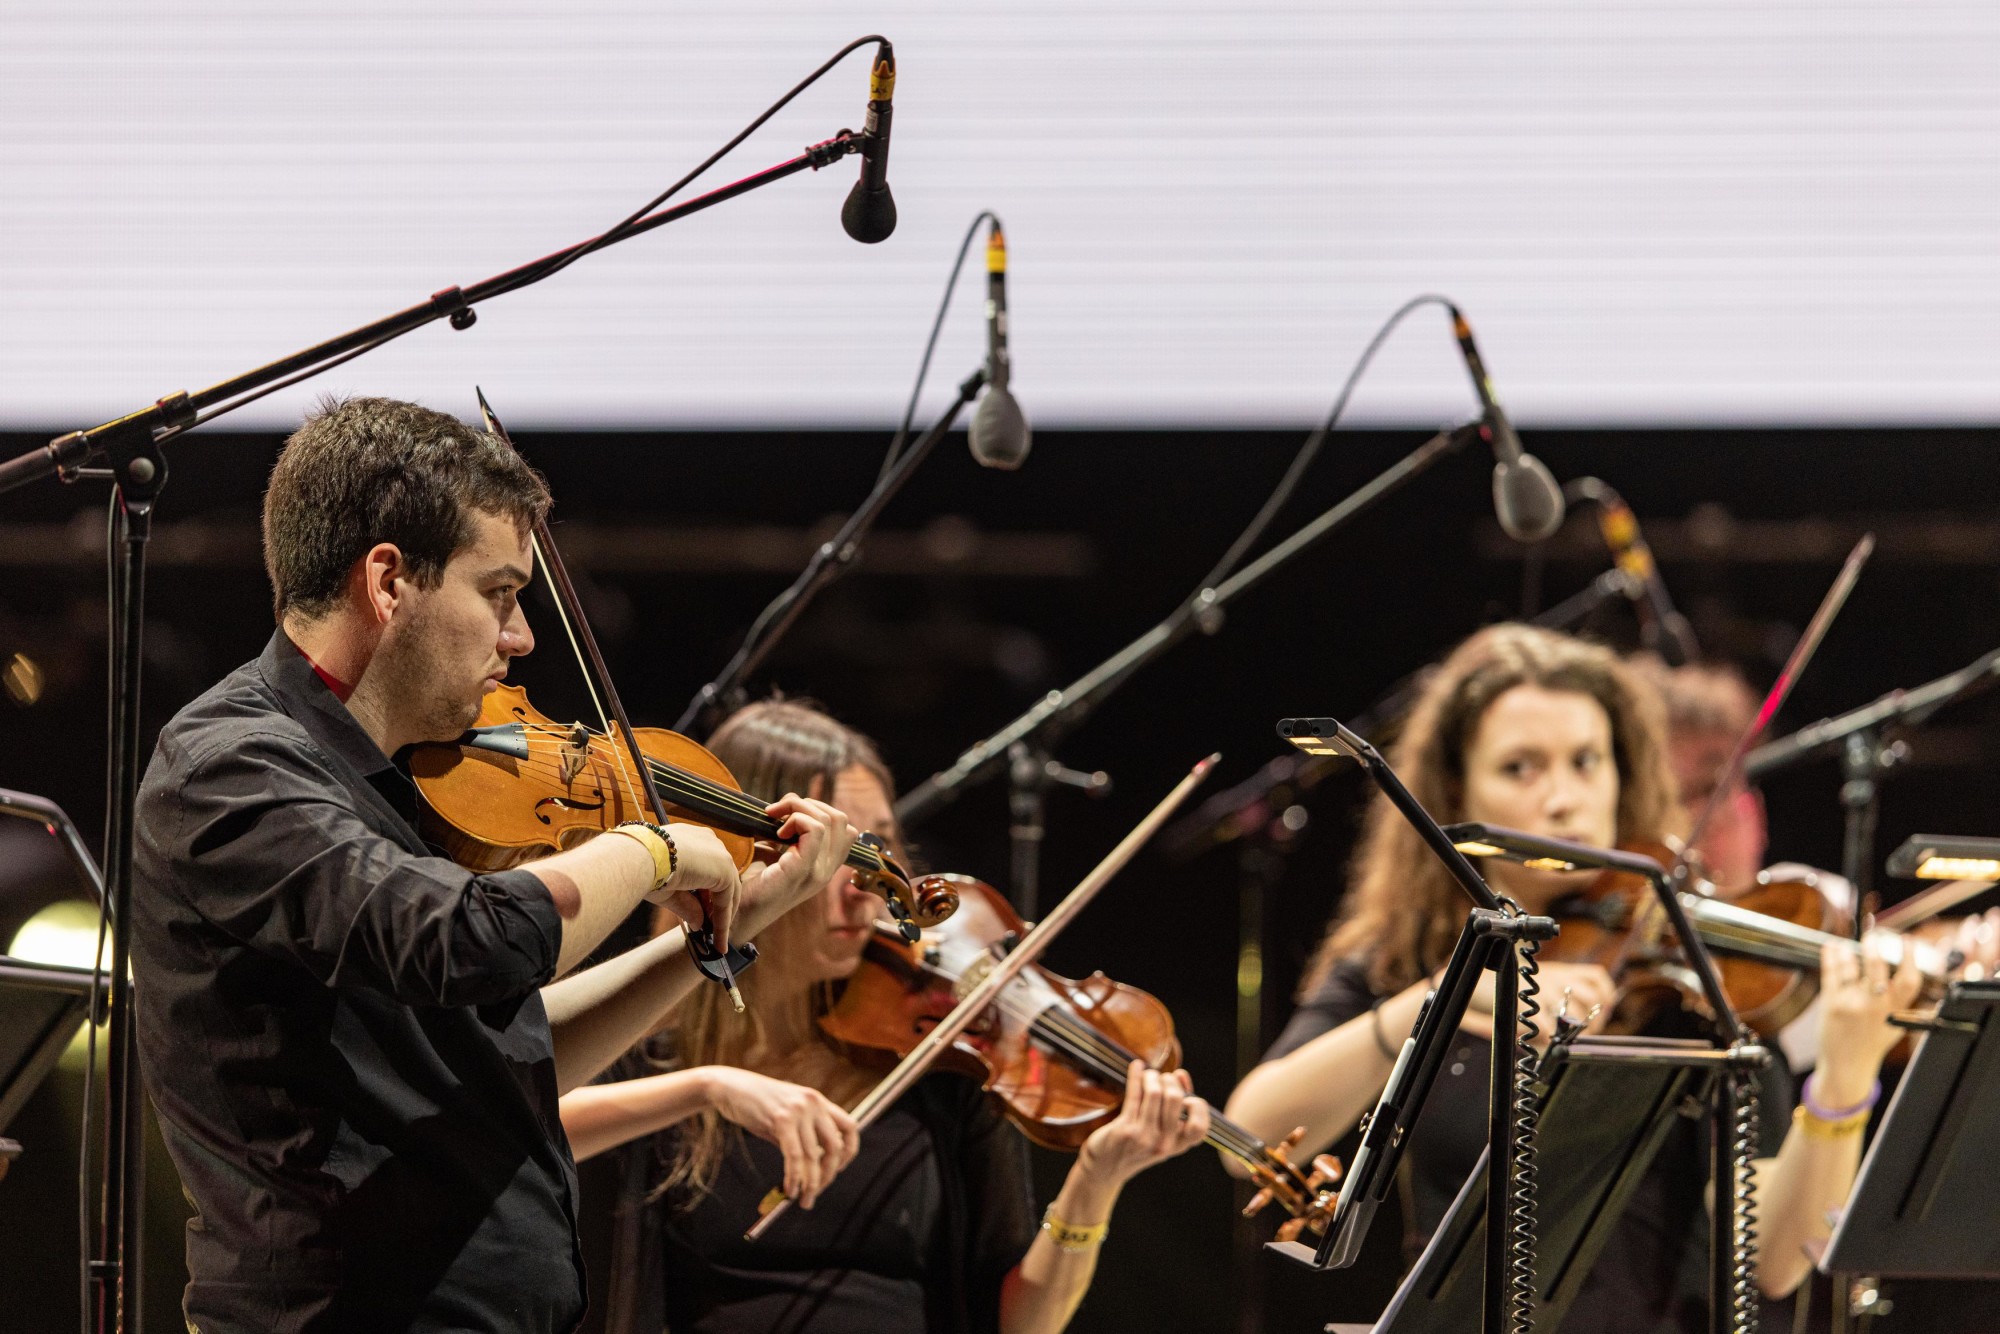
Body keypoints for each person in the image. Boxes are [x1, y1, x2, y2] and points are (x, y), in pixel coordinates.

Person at [132, 398, 855, 1333]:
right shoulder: (234, 768)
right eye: (500, 594)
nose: (521, 640)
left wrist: (739, 918)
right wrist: (651, 845)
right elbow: (471, 940)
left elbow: (506, 1049)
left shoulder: (408, 783)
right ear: (389, 581)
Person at [1225, 624, 1919, 1328]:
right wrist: (1429, 1008)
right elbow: (1251, 1133)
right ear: (1458, 789)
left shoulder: (1683, 968)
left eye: (1588, 762)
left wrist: (1845, 1076)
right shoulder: (1410, 956)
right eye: (1522, 768)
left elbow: (1774, 1259)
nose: (1564, 799)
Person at [558, 699, 1211, 1334]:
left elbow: (1017, 1325)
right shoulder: (656, 1066)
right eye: (833, 851)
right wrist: (707, 1087)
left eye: (879, 848)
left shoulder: (944, 1063)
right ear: (747, 858)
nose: (865, 885)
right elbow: (519, 1121)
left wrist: (1096, 1182)